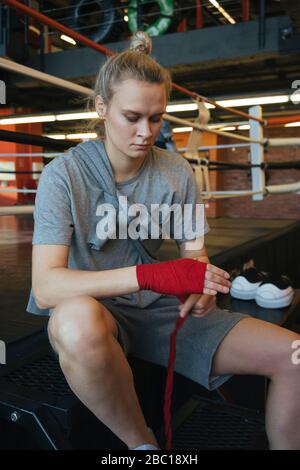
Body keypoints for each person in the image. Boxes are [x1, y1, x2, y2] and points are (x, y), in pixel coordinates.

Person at [27, 31, 300, 451]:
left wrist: (199, 285)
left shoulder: (175, 171)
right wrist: (154, 274)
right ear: (102, 108)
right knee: (73, 321)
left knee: (296, 356)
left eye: (156, 118)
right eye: (132, 116)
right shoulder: (63, 176)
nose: (145, 131)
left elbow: (194, 253)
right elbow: (46, 288)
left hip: (159, 312)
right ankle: (144, 448)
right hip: (97, 311)